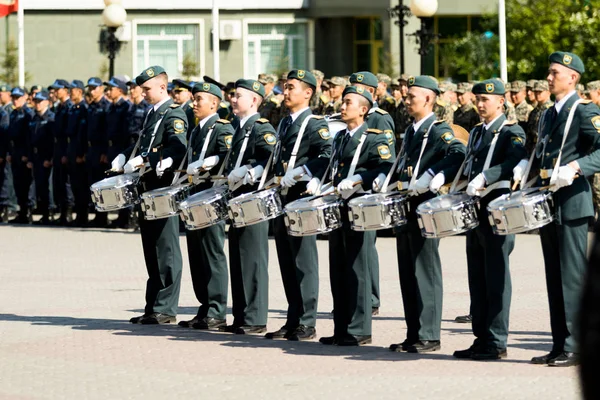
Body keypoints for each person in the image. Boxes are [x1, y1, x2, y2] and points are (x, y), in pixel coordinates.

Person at [515, 52, 600, 367]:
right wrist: (526, 165)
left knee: (572, 277)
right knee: (554, 277)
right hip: (548, 198)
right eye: (549, 72)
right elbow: (543, 150)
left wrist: (579, 166)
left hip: (572, 201)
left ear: (572, 77)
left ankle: (577, 346)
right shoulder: (549, 114)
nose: (548, 78)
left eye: (554, 73)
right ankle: (560, 343)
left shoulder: (584, 111)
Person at [380, 76, 465, 353]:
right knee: (408, 272)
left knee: (424, 270)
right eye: (406, 95)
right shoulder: (413, 130)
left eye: (412, 95)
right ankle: (414, 333)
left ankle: (429, 334)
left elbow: (457, 152)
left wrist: (435, 173)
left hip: (426, 207)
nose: (406, 99)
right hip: (406, 205)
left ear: (428, 98)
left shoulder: (438, 129)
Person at [452, 79, 526, 360]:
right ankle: (481, 337)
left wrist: (487, 176)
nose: (480, 105)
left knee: (496, 276)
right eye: (478, 100)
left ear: (501, 102)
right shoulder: (475, 133)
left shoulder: (511, 131)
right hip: (475, 209)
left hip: (497, 209)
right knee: (477, 276)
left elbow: (514, 161)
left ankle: (496, 340)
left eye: (486, 100)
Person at [111, 65, 187, 324]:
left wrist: (147, 159)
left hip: (162, 189)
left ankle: (166, 308)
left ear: (163, 87)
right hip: (147, 189)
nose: (142, 93)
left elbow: (178, 147)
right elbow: (145, 142)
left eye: (146, 89)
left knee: (166, 249)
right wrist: (126, 154)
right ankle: (153, 305)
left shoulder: (174, 113)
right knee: (152, 249)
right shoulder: (152, 114)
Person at [318, 86, 393, 346]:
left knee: (358, 268)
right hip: (338, 207)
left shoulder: (373, 138)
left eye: (348, 102)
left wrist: (360, 178)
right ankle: (342, 327)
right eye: (342, 101)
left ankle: (360, 328)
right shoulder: (340, 138)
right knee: (338, 267)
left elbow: (385, 165)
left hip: (360, 208)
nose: (342, 106)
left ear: (363, 110)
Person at [265, 69, 332, 342]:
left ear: (308, 92)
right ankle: (293, 319)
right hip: (283, 194)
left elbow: (327, 154)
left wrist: (305, 171)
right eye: (284, 86)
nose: (286, 91)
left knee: (304, 260)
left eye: (291, 87)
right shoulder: (284, 123)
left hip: (301, 196)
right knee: (287, 260)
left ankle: (307, 321)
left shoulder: (315, 124)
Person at [219, 79, 276, 334]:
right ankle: (241, 316)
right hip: (237, 200)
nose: (233, 99)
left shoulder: (260, 126)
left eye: (238, 95)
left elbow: (271, 157)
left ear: (253, 100)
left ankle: (255, 318)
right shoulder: (239, 127)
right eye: (232, 95)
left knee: (252, 259)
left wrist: (252, 171)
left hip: (252, 200)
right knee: (239, 258)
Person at [178, 82, 234, 330]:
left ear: (214, 103)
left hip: (211, 197)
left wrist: (211, 162)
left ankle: (217, 310)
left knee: (212, 253)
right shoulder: (196, 130)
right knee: (197, 255)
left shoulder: (222, 127)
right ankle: (204, 307)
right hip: (195, 197)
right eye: (193, 98)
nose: (194, 103)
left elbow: (229, 155)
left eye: (199, 99)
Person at [349, 71, 396, 315]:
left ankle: (372, 299)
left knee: (366, 247)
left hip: (367, 189)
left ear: (371, 92)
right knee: (354, 249)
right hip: (348, 190)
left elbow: (386, 158)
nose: (353, 92)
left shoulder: (380, 118)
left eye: (358, 88)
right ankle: (356, 297)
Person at [6, 87, 34, 223]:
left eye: (17, 98)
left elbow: (30, 137)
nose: (15, 100)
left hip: (24, 153)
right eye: (13, 98)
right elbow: (10, 136)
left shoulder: (28, 113)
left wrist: (27, 155)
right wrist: (10, 153)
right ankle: (21, 212)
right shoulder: (13, 113)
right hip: (15, 152)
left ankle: (27, 211)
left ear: (24, 98)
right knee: (17, 183)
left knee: (25, 183)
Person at [85, 77, 110, 227]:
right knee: (93, 184)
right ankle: (97, 214)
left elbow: (107, 131)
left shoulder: (106, 106)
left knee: (102, 184)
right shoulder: (92, 106)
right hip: (91, 149)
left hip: (101, 149)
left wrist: (105, 151)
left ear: (101, 88)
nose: (92, 91)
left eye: (94, 88)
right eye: (90, 88)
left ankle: (103, 216)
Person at [28, 90, 55, 225]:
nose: (37, 104)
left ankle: (50, 212)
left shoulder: (50, 118)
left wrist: (49, 158)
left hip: (46, 156)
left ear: (47, 102)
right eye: (36, 101)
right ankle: (44, 212)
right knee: (39, 185)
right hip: (36, 156)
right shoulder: (35, 118)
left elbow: (52, 141)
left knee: (47, 185)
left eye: (40, 101)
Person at [49, 79, 73, 225]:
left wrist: (65, 153)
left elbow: (68, 133)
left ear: (66, 89)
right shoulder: (59, 107)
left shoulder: (70, 107)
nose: (56, 92)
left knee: (66, 183)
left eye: (58, 89)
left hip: (66, 148)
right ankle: (62, 212)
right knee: (58, 181)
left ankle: (69, 212)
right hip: (58, 149)